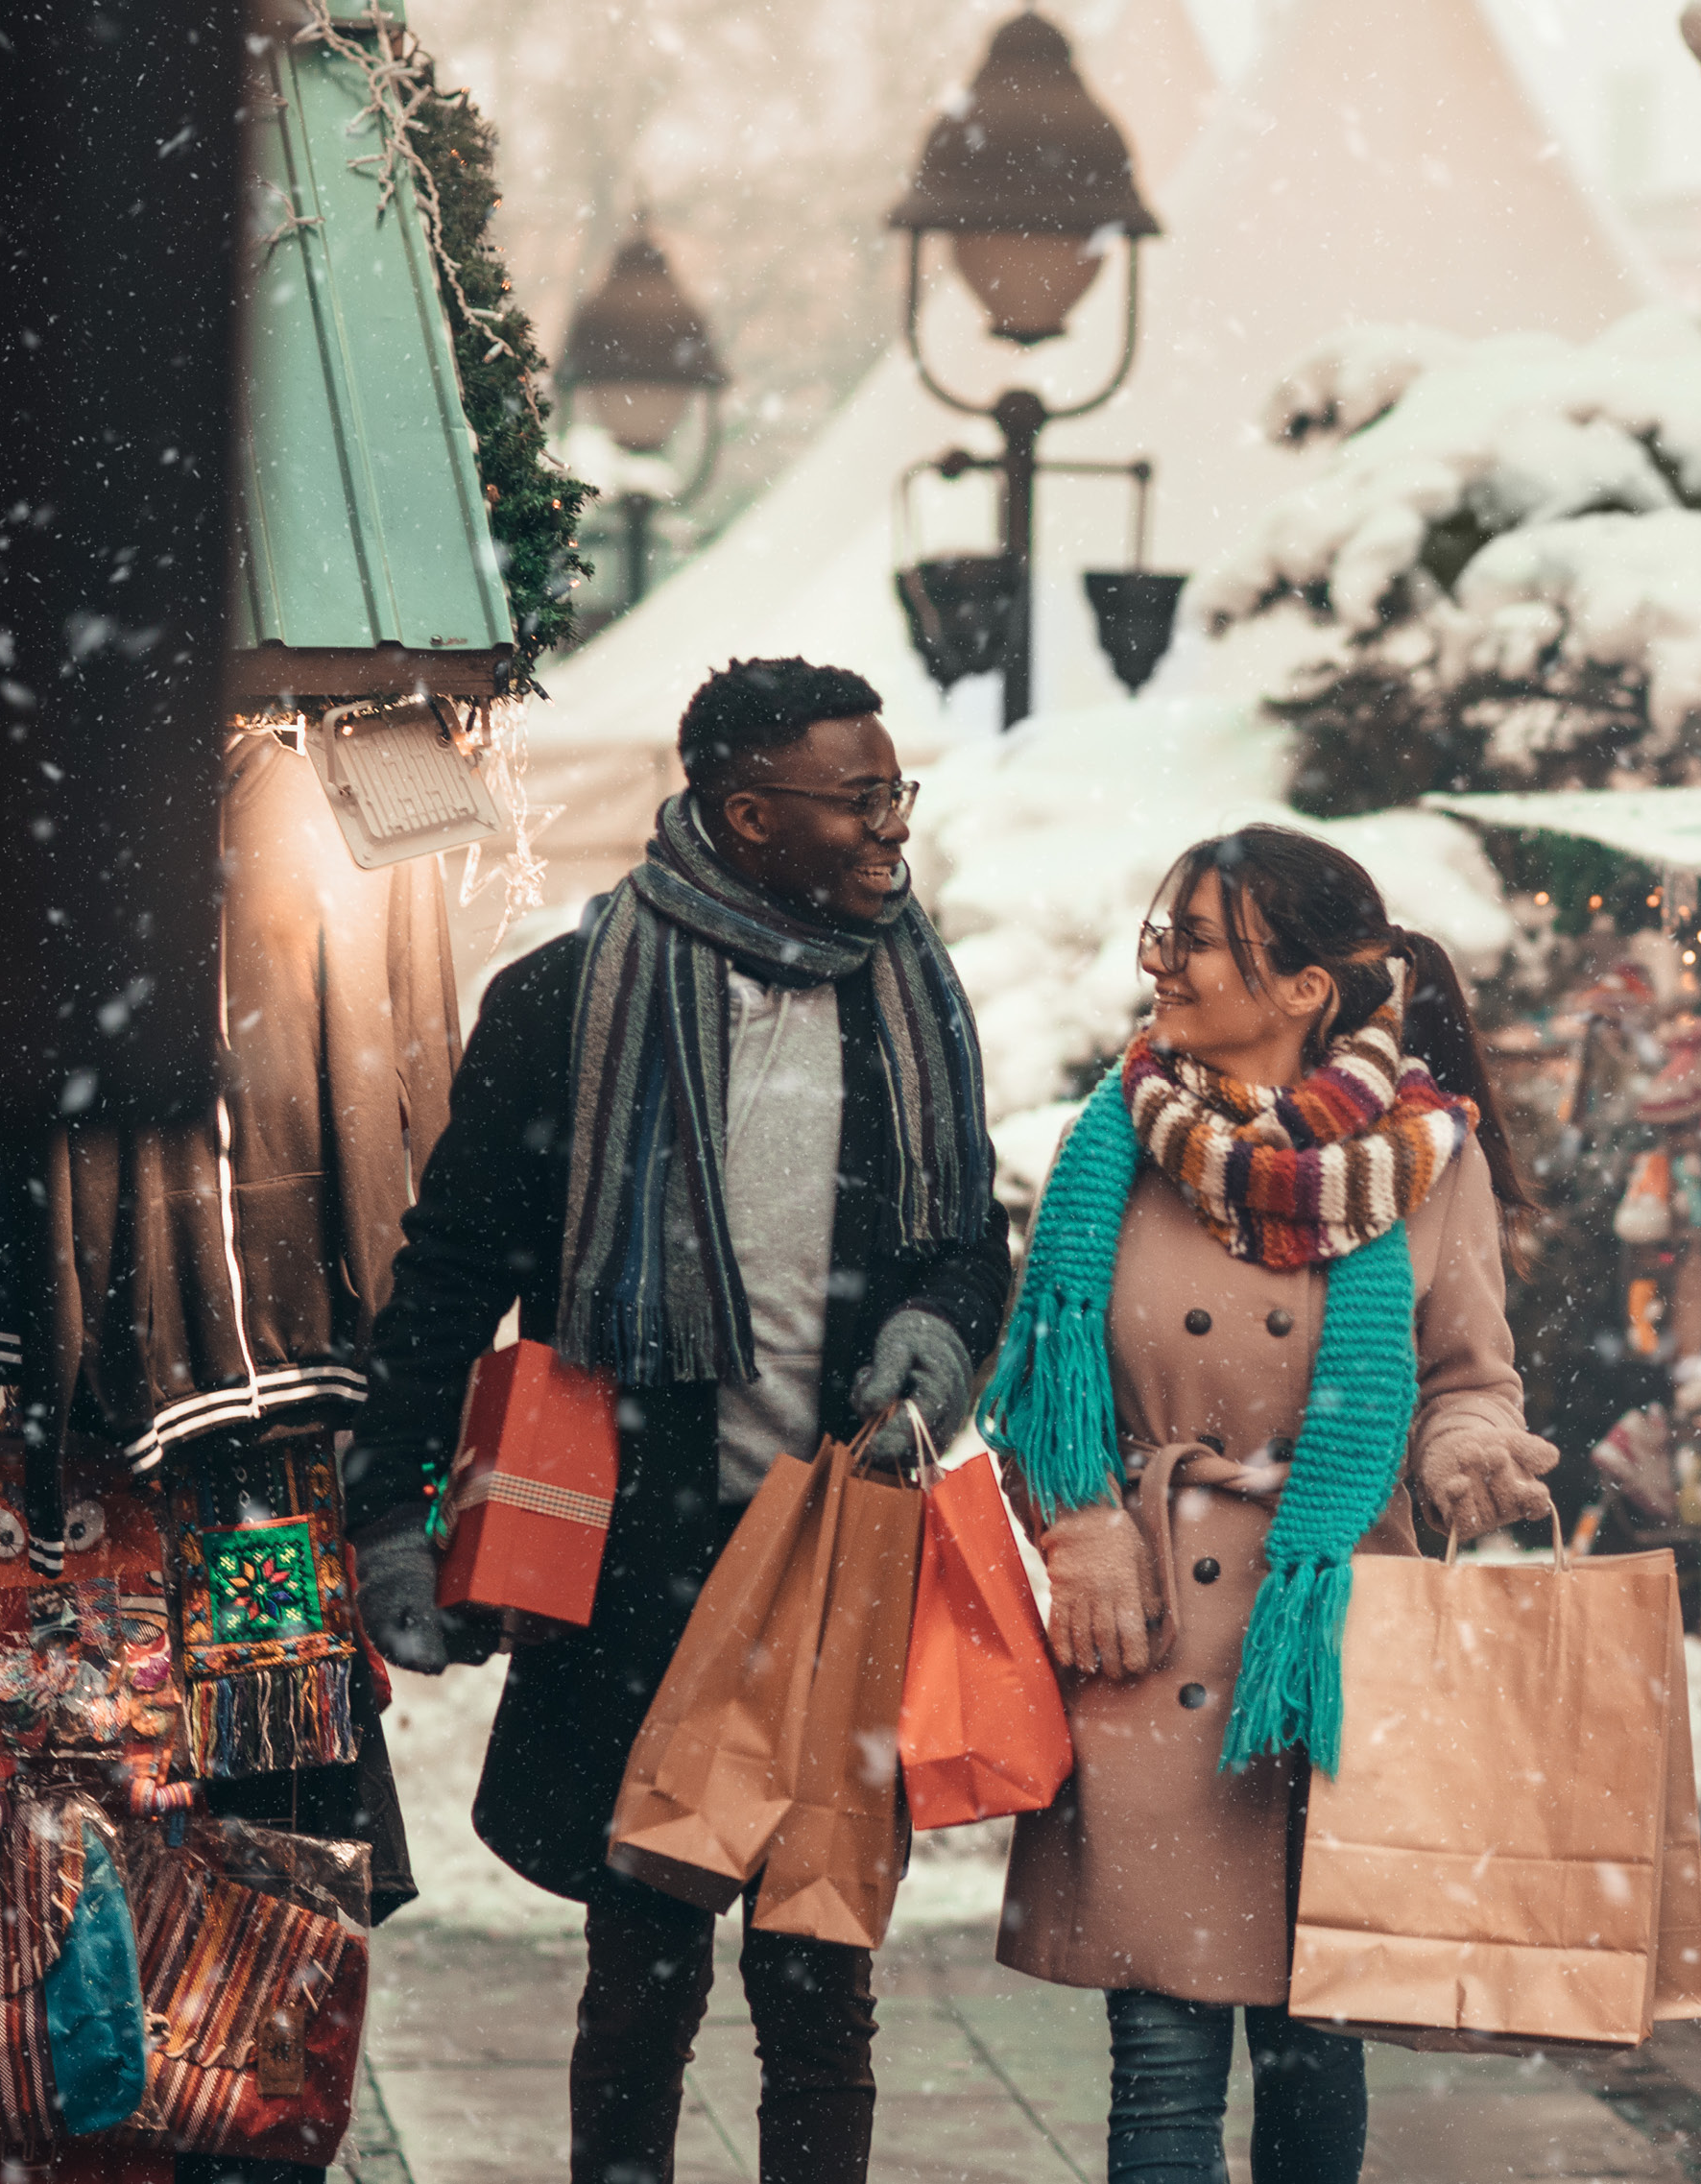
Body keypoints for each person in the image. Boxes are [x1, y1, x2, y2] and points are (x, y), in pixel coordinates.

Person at [346, 658, 1013, 2184]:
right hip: (640, 1561)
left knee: (818, 1980)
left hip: (832, 1560)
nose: (887, 827)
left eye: (891, 791)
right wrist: (392, 1505)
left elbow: (964, 1237)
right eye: (858, 798)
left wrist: (934, 1331)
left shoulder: (909, 995)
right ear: (745, 811)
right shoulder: (570, 1000)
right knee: (640, 1966)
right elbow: (447, 1279)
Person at [979, 826, 1557, 2184]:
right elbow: (1041, 1378)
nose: (1161, 962)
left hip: (1335, 1636)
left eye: (1195, 937)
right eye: (1160, 932)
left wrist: (1472, 1446)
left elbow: (1472, 1375)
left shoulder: (1426, 1160)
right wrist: (1079, 1524)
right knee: (1163, 2058)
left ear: (1302, 985)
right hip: (1152, 1630)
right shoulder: (1109, 1143)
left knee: (1313, 2045)